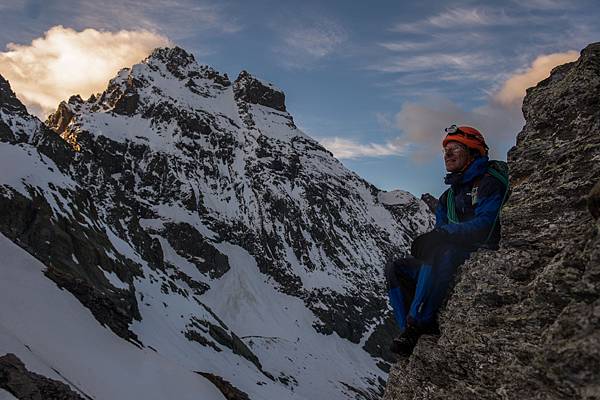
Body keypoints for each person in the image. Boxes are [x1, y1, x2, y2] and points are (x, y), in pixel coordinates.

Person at [385, 124, 508, 356]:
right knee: (396, 268)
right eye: (446, 150)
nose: (448, 154)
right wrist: (439, 236)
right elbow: (442, 230)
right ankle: (407, 330)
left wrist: (444, 235)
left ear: (473, 153)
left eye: (456, 148)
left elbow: (487, 223)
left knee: (442, 251)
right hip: (450, 253)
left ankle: (417, 324)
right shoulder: (448, 197)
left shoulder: (489, 183)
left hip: (479, 251)